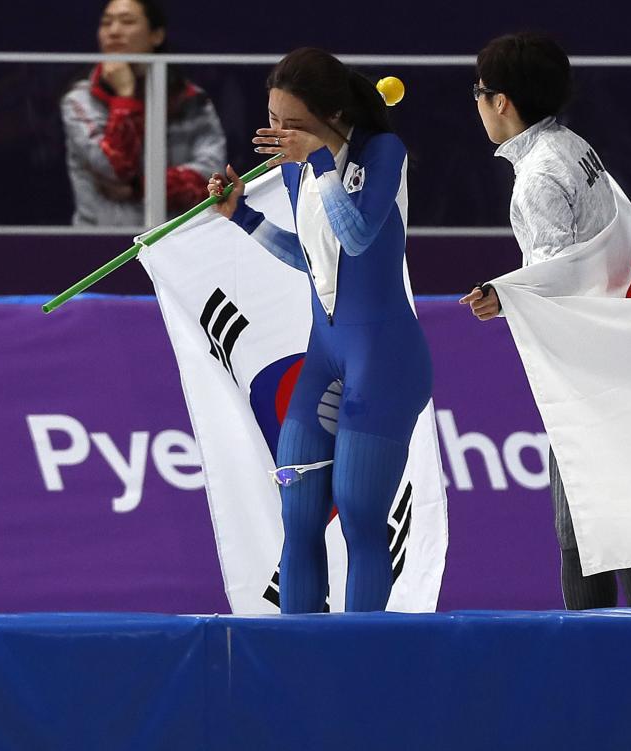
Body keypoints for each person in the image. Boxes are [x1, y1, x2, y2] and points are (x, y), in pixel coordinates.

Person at [208, 48, 432, 613]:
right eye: (273, 120)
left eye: (293, 124)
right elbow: (314, 257)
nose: (280, 135)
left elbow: (356, 238)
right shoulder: (293, 166)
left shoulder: (384, 152)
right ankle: (297, 669)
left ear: (333, 115)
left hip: (385, 361)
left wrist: (323, 162)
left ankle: (364, 668)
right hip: (327, 355)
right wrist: (244, 217)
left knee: (359, 515)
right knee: (299, 517)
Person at [460, 33, 631, 610]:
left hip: (585, 368)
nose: (476, 104)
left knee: (580, 527)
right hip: (617, 347)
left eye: (479, 92)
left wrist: (509, 297)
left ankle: (597, 668)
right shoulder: (574, 147)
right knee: (622, 519)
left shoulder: (535, 181)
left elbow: (563, 283)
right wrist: (511, 296)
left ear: (502, 101)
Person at [61, 0, 225, 226]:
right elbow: (115, 171)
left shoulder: (191, 100)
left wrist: (139, 187)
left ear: (156, 36)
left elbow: (210, 180)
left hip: (175, 240)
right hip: (98, 243)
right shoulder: (79, 102)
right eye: (106, 23)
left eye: (127, 22)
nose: (114, 31)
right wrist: (125, 98)